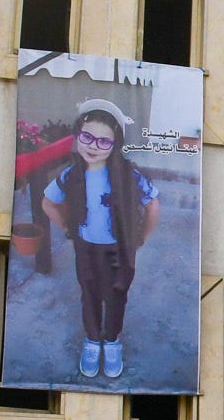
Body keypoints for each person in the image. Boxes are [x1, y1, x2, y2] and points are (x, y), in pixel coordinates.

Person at [41, 99, 159, 378]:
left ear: (115, 144)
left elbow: (153, 203)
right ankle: (93, 340)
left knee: (117, 294)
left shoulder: (128, 175)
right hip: (86, 247)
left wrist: (140, 237)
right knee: (90, 293)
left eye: (104, 142)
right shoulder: (71, 175)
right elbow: (48, 203)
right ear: (77, 135)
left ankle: (112, 340)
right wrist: (69, 230)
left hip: (120, 248)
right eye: (87, 137)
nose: (94, 146)